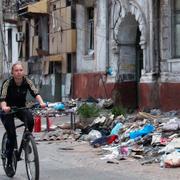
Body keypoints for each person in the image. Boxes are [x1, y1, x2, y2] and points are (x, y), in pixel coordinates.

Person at [0, 61, 46, 171]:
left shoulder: (27, 81)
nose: (19, 72)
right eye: (16, 70)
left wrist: (42, 103)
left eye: (21, 70)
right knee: (11, 135)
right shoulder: (7, 83)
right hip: (7, 110)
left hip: (20, 108)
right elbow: (2, 98)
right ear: (12, 72)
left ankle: (26, 141)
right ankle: (9, 162)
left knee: (30, 120)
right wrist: (4, 107)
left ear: (23, 72)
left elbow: (35, 92)